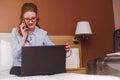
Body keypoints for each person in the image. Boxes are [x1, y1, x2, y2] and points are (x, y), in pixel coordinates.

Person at [10, 2, 70, 75]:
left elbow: (53, 50)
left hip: (37, 67)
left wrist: (64, 50)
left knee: (59, 70)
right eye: (27, 19)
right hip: (19, 66)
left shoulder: (42, 33)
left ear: (37, 17)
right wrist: (24, 37)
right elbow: (15, 55)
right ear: (22, 19)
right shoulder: (15, 32)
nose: (30, 22)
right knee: (16, 71)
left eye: (33, 18)